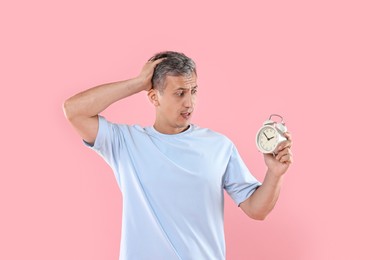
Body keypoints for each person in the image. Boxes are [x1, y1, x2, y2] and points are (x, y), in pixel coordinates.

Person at [63, 51, 293, 260]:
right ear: (154, 97)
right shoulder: (124, 142)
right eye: (180, 93)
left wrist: (274, 174)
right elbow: (74, 110)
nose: (189, 103)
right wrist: (137, 83)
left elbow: (257, 209)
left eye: (194, 91)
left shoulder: (218, 145)